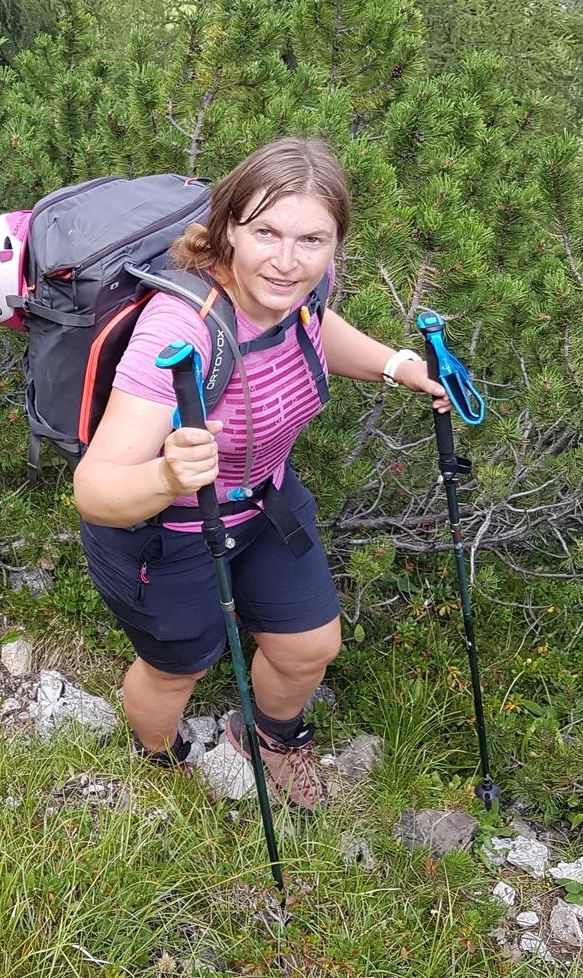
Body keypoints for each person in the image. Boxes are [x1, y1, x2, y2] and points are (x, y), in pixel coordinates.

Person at [72, 136, 451, 810]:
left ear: (336, 243)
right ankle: (160, 761)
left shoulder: (305, 284)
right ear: (227, 229)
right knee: (177, 668)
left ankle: (266, 737)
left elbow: (313, 324)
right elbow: (96, 491)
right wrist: (167, 475)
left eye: (312, 239)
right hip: (168, 533)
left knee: (310, 645)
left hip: (262, 499)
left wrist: (398, 367)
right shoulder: (179, 332)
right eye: (266, 233)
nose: (286, 261)